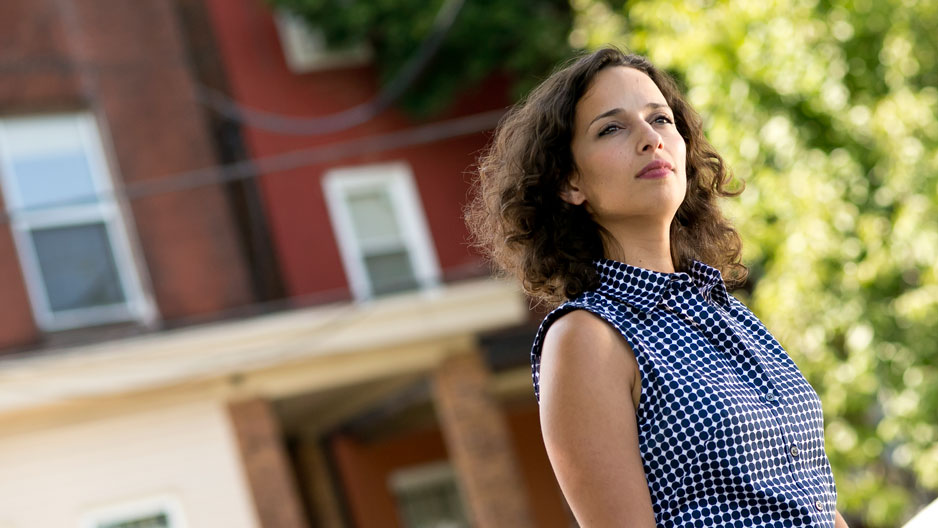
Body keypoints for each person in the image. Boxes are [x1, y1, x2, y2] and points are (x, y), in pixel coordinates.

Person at [465, 47, 850, 527]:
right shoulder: (587, 337)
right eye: (612, 128)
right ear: (569, 182)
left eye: (661, 119)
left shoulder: (726, 310)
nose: (651, 139)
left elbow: (811, 502)